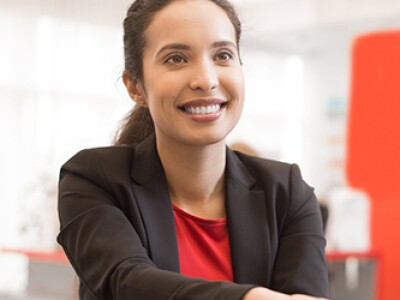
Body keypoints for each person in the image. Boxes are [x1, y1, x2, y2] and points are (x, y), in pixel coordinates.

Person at [57, 0, 329, 299]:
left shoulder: (288, 193)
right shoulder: (93, 179)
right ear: (135, 86)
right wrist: (249, 297)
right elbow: (127, 282)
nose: (206, 80)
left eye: (223, 55)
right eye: (176, 58)